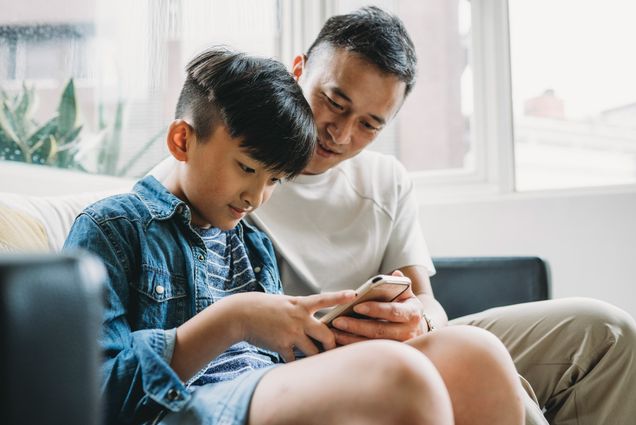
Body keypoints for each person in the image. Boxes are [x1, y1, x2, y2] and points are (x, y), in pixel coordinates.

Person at [64, 47, 524, 425]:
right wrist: (232, 320)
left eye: (275, 180)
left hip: (264, 389)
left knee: (474, 355)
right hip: (184, 406)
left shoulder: (252, 244)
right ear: (183, 141)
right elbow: (93, 395)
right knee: (400, 375)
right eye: (246, 168)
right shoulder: (112, 229)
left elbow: (277, 366)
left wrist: (330, 337)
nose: (256, 196)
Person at [250, 6, 636, 425]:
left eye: (370, 124)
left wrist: (418, 322)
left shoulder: (385, 179)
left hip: (402, 347)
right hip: (310, 371)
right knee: (481, 368)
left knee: (607, 331)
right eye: (334, 102)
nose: (341, 134)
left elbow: (427, 302)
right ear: (297, 70)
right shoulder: (239, 171)